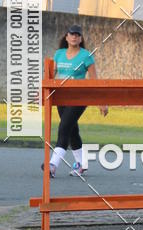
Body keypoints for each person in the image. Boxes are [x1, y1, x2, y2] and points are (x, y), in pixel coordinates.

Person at [41, 24, 108, 177]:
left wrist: (101, 102)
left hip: (79, 98)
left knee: (64, 128)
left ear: (80, 38)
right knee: (72, 131)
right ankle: (81, 164)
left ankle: (52, 165)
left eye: (77, 35)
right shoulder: (59, 54)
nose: (74, 37)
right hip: (61, 98)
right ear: (66, 37)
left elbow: (94, 81)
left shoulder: (86, 56)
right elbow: (50, 78)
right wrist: (42, 94)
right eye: (71, 34)